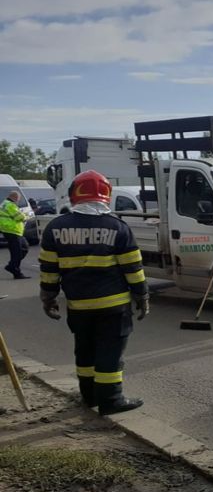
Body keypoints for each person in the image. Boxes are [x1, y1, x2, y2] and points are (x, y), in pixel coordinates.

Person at [38, 170, 147, 415]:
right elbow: (133, 268)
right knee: (110, 351)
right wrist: (142, 295)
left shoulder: (55, 228)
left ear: (74, 194)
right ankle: (111, 400)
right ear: (106, 195)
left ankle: (89, 396)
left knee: (84, 349)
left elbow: (48, 269)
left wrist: (48, 297)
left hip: (78, 306)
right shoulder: (118, 227)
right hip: (113, 306)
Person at [1, 191, 29, 279]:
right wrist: (26, 216)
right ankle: (15, 270)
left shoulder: (4, 203)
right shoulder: (11, 205)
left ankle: (12, 266)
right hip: (12, 230)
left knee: (24, 248)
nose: (18, 201)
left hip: (10, 230)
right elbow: (20, 217)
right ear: (16, 198)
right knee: (17, 252)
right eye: (18, 199)